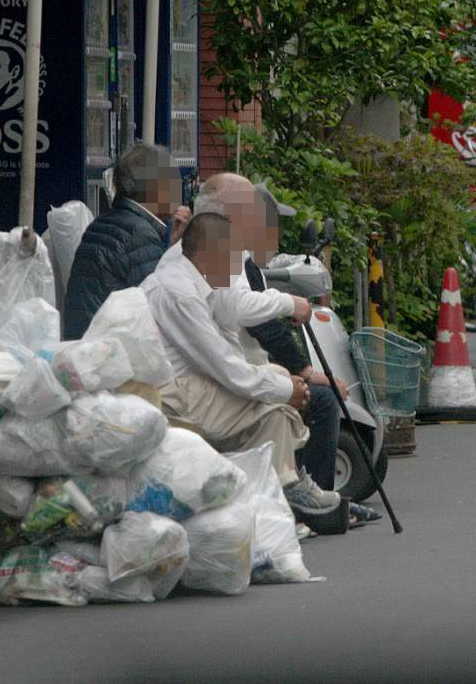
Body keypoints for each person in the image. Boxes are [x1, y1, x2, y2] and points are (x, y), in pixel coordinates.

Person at [142, 211, 341, 515]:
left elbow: (232, 316)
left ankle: (278, 490)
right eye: (234, 258)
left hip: (191, 386)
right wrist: (284, 388)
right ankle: (286, 487)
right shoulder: (179, 292)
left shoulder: (200, 279)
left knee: (275, 387)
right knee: (276, 402)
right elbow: (224, 366)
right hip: (171, 395)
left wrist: (281, 381)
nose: (239, 269)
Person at [62, 144, 191, 339]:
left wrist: (172, 245)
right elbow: (161, 306)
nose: (179, 189)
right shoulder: (139, 233)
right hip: (108, 351)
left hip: (85, 341)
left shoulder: (107, 222)